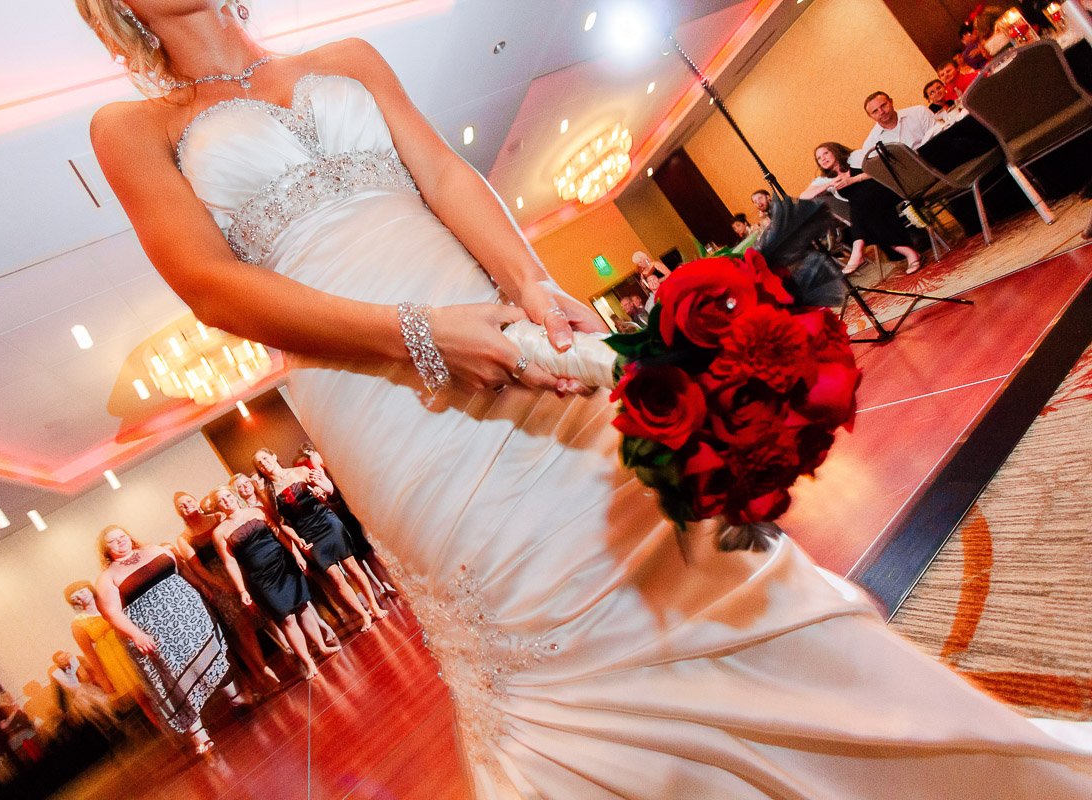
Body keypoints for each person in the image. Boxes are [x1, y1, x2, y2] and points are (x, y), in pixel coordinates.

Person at [79, 2, 1092, 795]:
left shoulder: (345, 58)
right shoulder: (133, 128)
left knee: (671, 527)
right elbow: (213, 287)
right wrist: (418, 334)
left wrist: (527, 285)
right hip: (371, 386)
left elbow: (441, 172)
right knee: (536, 598)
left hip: (496, 319)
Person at [93, 524, 234, 753]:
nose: (120, 541)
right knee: (177, 681)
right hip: (155, 635)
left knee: (211, 658)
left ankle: (236, 697)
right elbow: (112, 613)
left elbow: (181, 571)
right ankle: (199, 735)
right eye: (113, 541)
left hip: (188, 620)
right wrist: (136, 634)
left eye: (122, 536)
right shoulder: (108, 577)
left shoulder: (155, 550)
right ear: (105, 549)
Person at [209, 486, 339, 679]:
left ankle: (321, 646)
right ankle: (309, 662)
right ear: (218, 506)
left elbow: (278, 533)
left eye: (228, 496)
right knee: (286, 618)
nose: (226, 501)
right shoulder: (220, 532)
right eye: (221, 500)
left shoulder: (257, 511)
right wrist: (242, 590)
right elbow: (230, 562)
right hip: (260, 577)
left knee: (302, 607)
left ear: (234, 496)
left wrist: (296, 554)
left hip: (283, 563)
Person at [253, 448, 386, 630]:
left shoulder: (300, 471)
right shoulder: (268, 493)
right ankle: (364, 615)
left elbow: (329, 491)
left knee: (352, 566)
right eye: (259, 463)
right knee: (335, 577)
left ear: (274, 456)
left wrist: (320, 492)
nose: (264, 464)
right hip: (307, 533)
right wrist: (298, 540)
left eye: (265, 458)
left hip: (327, 521)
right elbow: (282, 523)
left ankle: (374, 606)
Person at [171, 490, 280, 691]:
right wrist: (220, 584)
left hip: (241, 567)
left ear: (196, 500)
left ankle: (288, 648)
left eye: (188, 501)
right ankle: (263, 670)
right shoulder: (184, 538)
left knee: (264, 610)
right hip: (217, 578)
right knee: (242, 625)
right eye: (181, 507)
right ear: (180, 514)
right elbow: (197, 568)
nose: (187, 506)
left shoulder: (219, 517)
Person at [801, 142, 923, 275]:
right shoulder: (825, 180)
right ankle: (910, 253)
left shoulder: (854, 157)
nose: (823, 159)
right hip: (873, 209)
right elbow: (804, 197)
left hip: (887, 192)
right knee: (864, 208)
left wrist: (854, 180)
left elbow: (881, 170)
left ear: (835, 151)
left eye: (826, 153)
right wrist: (829, 184)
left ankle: (858, 249)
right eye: (819, 158)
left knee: (861, 199)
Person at [64, 580, 146, 705]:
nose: (80, 596)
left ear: (89, 589)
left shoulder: (110, 603)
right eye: (75, 596)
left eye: (81, 591)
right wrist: (103, 679)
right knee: (142, 698)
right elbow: (89, 653)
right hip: (115, 660)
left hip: (133, 646)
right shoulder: (78, 623)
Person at [852, 91, 940, 168]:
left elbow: (939, 137)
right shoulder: (870, 144)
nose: (881, 112)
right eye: (875, 111)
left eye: (883, 105)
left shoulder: (919, 112)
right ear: (870, 116)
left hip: (937, 159)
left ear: (891, 102)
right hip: (912, 179)